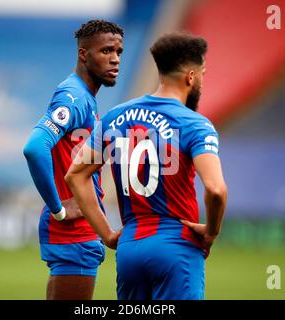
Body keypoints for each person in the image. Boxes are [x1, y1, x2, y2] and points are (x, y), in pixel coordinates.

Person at [65, 31, 227, 300]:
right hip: (176, 246)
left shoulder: (115, 117)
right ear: (191, 76)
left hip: (130, 248)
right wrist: (211, 232)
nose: (201, 81)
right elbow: (216, 189)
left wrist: (106, 234)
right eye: (202, 74)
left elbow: (76, 175)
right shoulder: (194, 124)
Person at [23, 19, 124, 300]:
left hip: (76, 228)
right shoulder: (74, 97)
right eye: (106, 51)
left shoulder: (85, 98)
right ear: (83, 54)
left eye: (119, 52)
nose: (115, 59)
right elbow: (34, 147)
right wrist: (59, 208)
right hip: (74, 228)